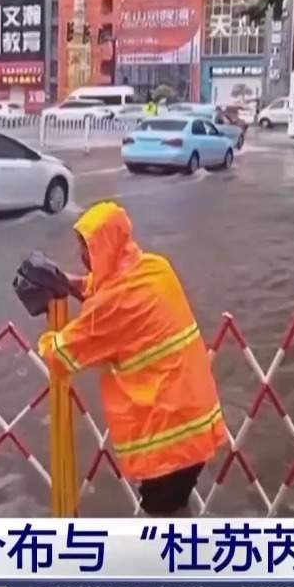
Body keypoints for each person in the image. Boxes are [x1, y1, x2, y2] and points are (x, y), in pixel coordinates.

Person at [37, 201, 227, 517]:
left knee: (164, 516)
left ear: (105, 248)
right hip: (194, 418)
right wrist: (67, 283)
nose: (83, 257)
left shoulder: (114, 304)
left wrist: (46, 328)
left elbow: (62, 356)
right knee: (176, 505)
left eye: (88, 249)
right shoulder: (155, 268)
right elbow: (109, 290)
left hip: (167, 436)